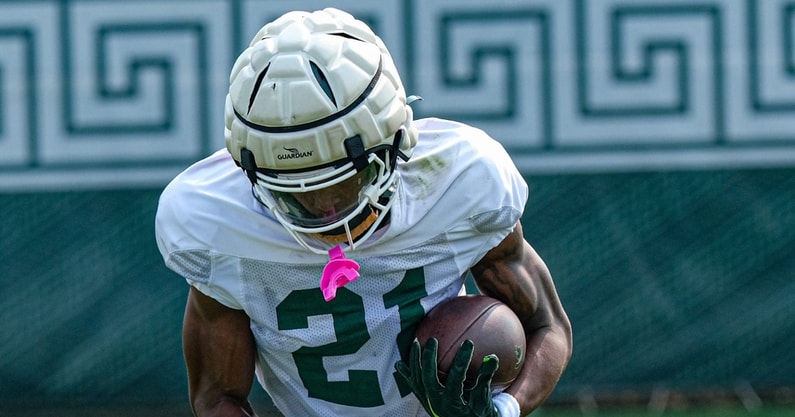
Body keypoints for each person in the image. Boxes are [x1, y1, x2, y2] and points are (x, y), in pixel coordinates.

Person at [155, 7, 572, 417]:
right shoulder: (216, 224)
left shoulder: (458, 180)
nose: (327, 212)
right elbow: (216, 397)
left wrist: (500, 410)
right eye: (298, 196)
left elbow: (547, 327)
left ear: (395, 144)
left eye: (343, 184)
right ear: (253, 174)